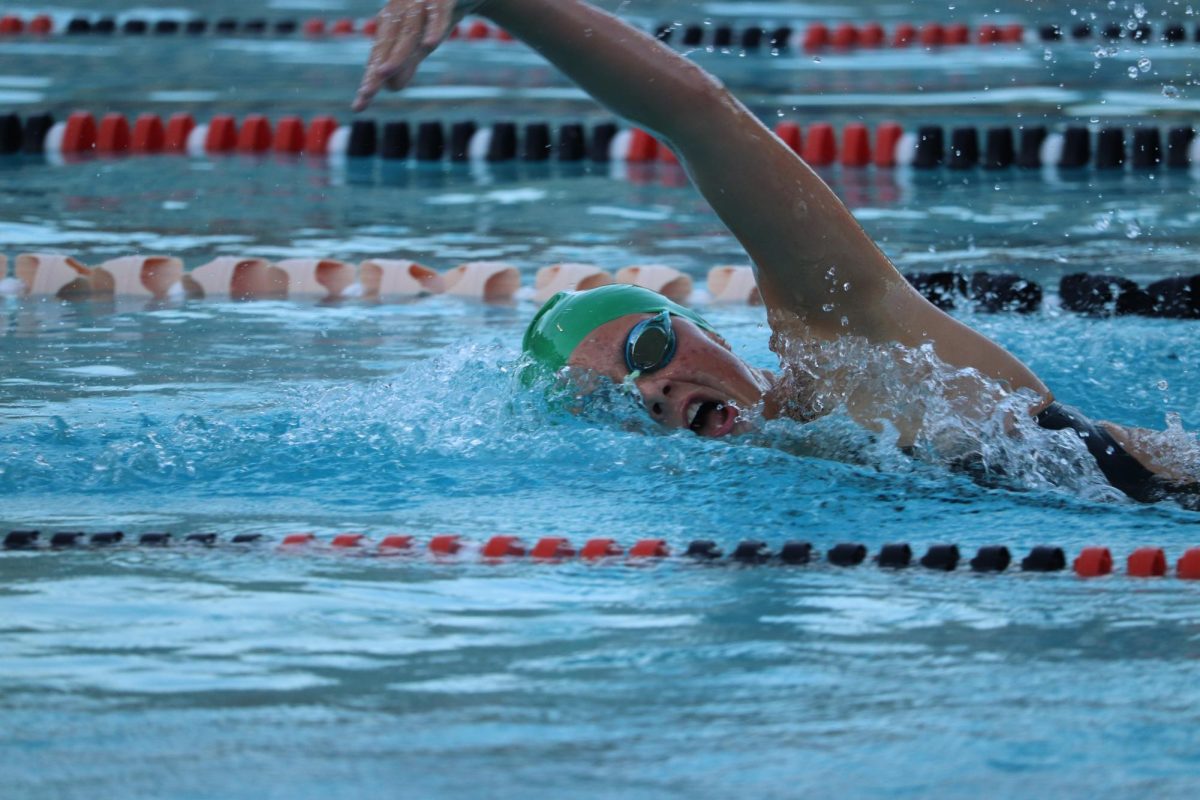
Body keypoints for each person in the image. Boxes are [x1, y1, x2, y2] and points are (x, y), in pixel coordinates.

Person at [354, 0, 1197, 504]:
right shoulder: (761, 498)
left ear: (704, 330)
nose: (652, 391)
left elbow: (698, 115)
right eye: (610, 402)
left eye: (648, 348)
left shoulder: (847, 351)